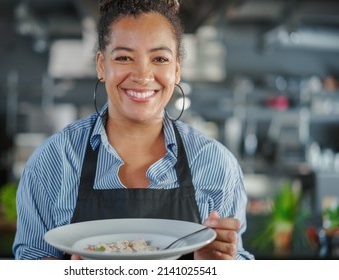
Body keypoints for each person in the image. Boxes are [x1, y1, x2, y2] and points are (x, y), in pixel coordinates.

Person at [13, 0, 254, 260]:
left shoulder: (215, 163)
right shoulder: (53, 160)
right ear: (101, 65)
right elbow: (31, 258)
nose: (142, 75)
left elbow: (238, 259)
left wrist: (217, 267)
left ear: (176, 70)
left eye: (160, 58)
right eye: (124, 57)